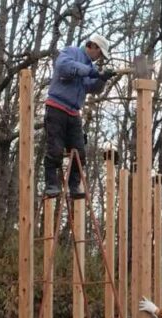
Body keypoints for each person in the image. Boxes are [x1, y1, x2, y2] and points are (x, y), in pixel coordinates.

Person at [44, 34, 116, 198]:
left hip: (73, 112)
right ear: (94, 47)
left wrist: (102, 79)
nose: (99, 58)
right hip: (56, 108)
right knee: (54, 148)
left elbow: (93, 88)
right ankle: (51, 184)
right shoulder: (71, 52)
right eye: (100, 54)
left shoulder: (89, 66)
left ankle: (74, 186)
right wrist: (91, 71)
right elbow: (63, 66)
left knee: (79, 152)